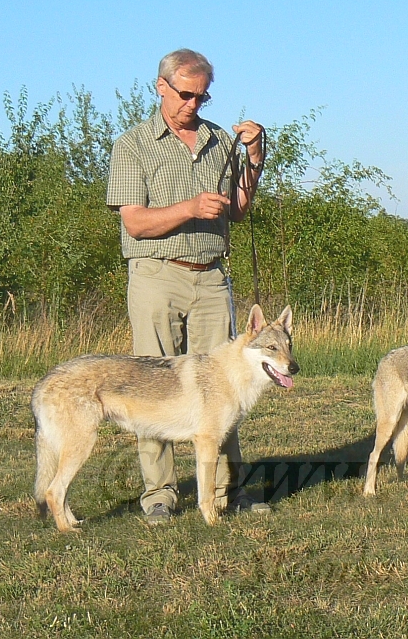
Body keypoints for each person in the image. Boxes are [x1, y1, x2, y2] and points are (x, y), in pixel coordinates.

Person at [106, 48, 269, 524]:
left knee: (228, 386)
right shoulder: (133, 145)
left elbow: (238, 208)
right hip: (156, 275)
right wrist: (190, 208)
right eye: (186, 94)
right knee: (152, 387)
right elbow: (135, 223)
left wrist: (255, 158)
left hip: (212, 276)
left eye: (203, 96)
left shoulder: (220, 141)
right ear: (161, 87)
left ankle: (223, 492)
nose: (194, 105)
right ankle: (159, 494)